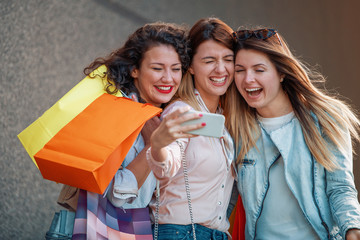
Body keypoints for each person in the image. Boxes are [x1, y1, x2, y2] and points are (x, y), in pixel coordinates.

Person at [226, 27, 360, 239]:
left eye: (259, 70)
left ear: (281, 73)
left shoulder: (325, 120)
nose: (247, 79)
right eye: (240, 70)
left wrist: (352, 228)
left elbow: (340, 188)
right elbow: (223, 199)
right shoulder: (236, 129)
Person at [57, 22, 190, 212]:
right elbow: (118, 195)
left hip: (135, 229)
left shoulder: (169, 118)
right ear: (134, 69)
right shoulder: (113, 111)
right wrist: (154, 145)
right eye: (157, 68)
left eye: (176, 69)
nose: (168, 79)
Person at [146, 17, 237, 239]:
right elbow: (167, 164)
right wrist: (159, 147)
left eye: (228, 59)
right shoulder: (181, 111)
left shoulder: (223, 118)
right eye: (209, 61)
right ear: (192, 67)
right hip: (180, 232)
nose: (221, 69)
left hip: (216, 234)